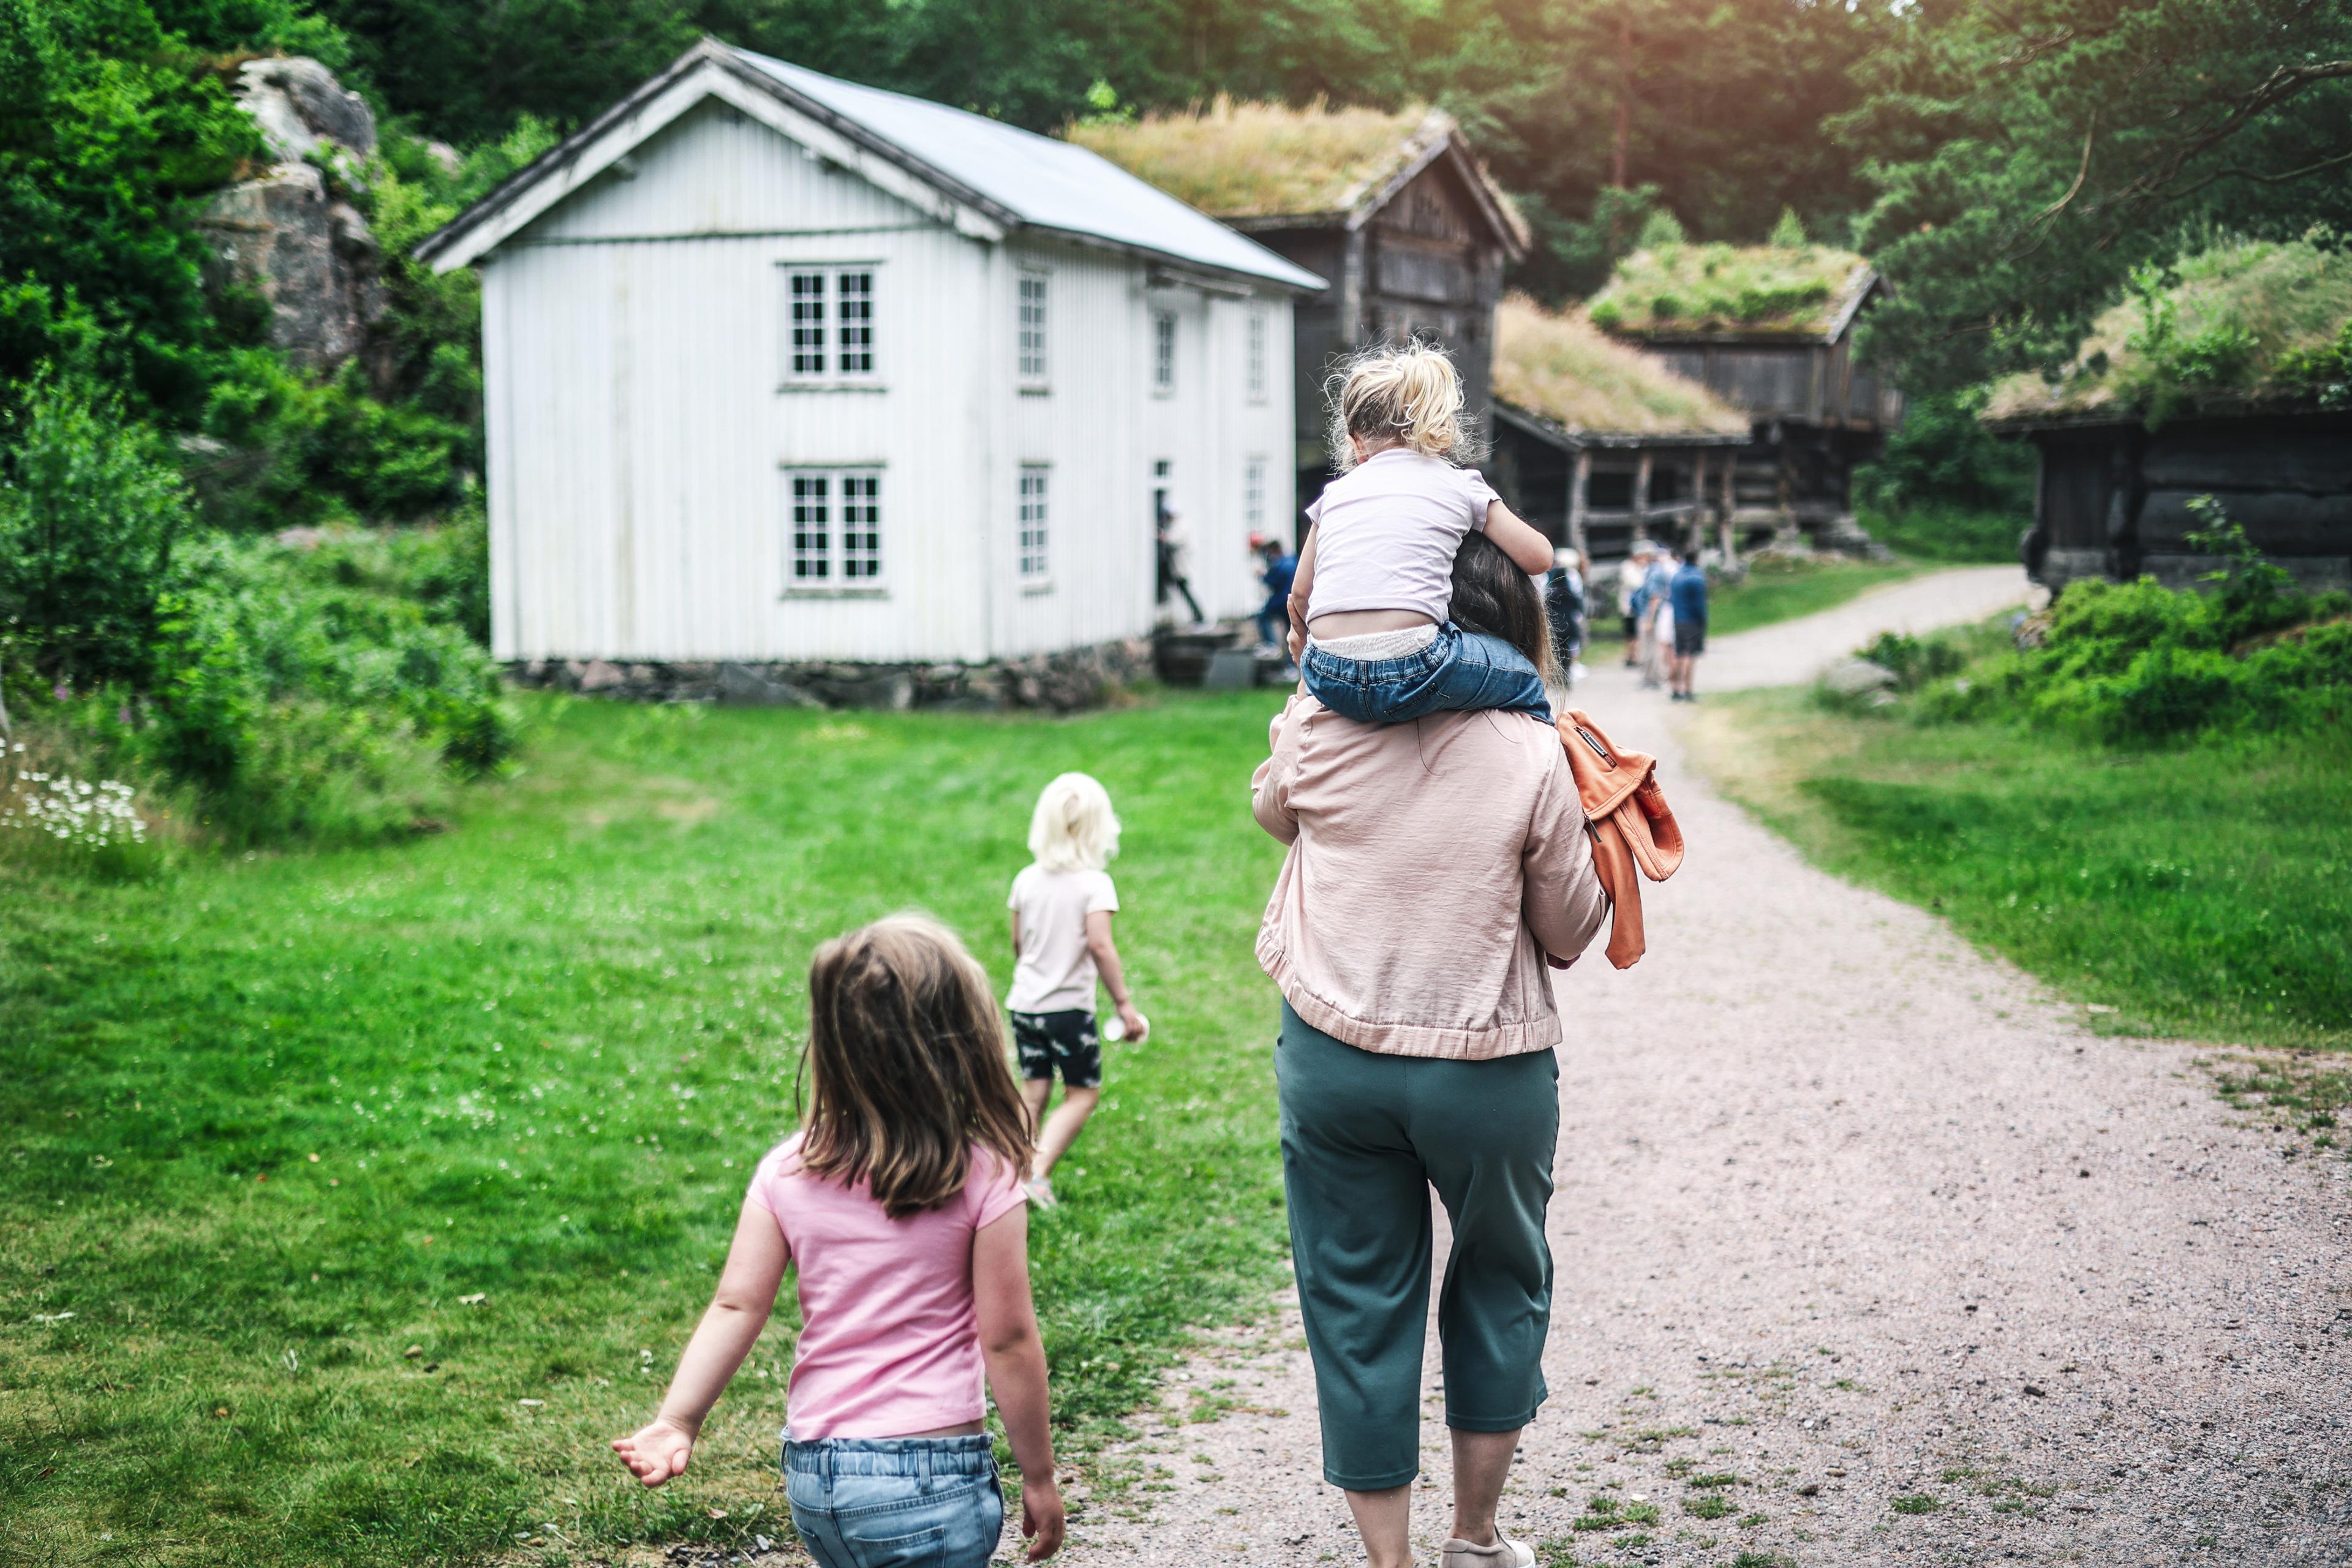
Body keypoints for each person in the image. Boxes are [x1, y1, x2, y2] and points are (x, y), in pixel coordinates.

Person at [1252, 529, 1611, 1568]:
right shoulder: (1535, 752)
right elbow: (1570, 930)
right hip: (1489, 1070)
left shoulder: (1321, 722)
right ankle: (1475, 1539)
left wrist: (1304, 715)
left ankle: (1390, 1565)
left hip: (1333, 1056)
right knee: (1500, 1279)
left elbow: (1277, 811)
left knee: (1356, 1299)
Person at [611, 916, 1065, 1568]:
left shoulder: (788, 1170)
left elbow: (737, 1306)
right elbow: (1008, 1339)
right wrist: (1040, 1476)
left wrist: (678, 1420)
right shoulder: (984, 1176)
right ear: (962, 1043)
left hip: (818, 1481)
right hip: (930, 1480)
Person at [1283, 341, 1561, 725]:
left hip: (1327, 671)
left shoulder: (1335, 494)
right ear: (1439, 428)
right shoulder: (1460, 485)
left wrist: (1308, 655)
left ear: (1356, 440)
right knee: (1524, 677)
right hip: (1415, 665)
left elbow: (1300, 595)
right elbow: (1539, 557)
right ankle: (1542, 751)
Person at [1006, 772, 1147, 1208]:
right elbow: (1100, 944)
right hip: (1067, 1011)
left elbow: (1018, 942)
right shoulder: (1094, 884)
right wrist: (1124, 1005)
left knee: (1034, 1089)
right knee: (1082, 1093)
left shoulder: (1026, 879)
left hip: (1024, 1005)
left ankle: (1011, 1172)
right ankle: (1037, 1173)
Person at [1668, 547, 1709, 701]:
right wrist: (1703, 620)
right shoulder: (1697, 577)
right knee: (1690, 656)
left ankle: (1675, 688)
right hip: (1692, 620)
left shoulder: (1677, 576)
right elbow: (1699, 604)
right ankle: (1688, 689)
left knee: (1679, 653)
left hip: (1678, 619)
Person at [1541, 546, 1585, 686]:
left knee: (1557, 648)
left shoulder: (1549, 577)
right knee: (1567, 648)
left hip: (1554, 619)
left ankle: (1559, 677)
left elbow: (1543, 596)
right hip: (1568, 618)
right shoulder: (1572, 576)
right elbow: (1577, 597)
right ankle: (1565, 676)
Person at [1157, 506, 1205, 625]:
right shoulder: (1178, 525)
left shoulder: (1181, 526)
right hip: (1178, 566)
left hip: (1181, 567)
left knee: (1186, 591)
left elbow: (1172, 540)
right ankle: (1198, 617)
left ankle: (1200, 617)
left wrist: (1160, 535)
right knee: (1184, 591)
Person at [1636, 545, 1675, 690]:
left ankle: (1653, 678)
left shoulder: (1654, 573)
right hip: (1652, 615)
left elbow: (1655, 598)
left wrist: (1650, 619)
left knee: (1650, 649)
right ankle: (1652, 677)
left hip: (1650, 616)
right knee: (1650, 648)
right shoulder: (1655, 571)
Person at [1254, 533, 1298, 654]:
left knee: (1263, 617)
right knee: (1290, 632)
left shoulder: (1280, 565)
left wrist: (1263, 575)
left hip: (1281, 600)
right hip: (1292, 601)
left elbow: (1272, 581)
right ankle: (1291, 663)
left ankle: (1271, 645)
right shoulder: (1292, 560)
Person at [1615, 546, 1645, 666]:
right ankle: (1631, 656)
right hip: (1630, 607)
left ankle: (1635, 656)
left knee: (1635, 634)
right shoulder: (1627, 567)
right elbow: (1636, 583)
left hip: (1637, 606)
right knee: (1631, 634)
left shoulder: (1636, 568)